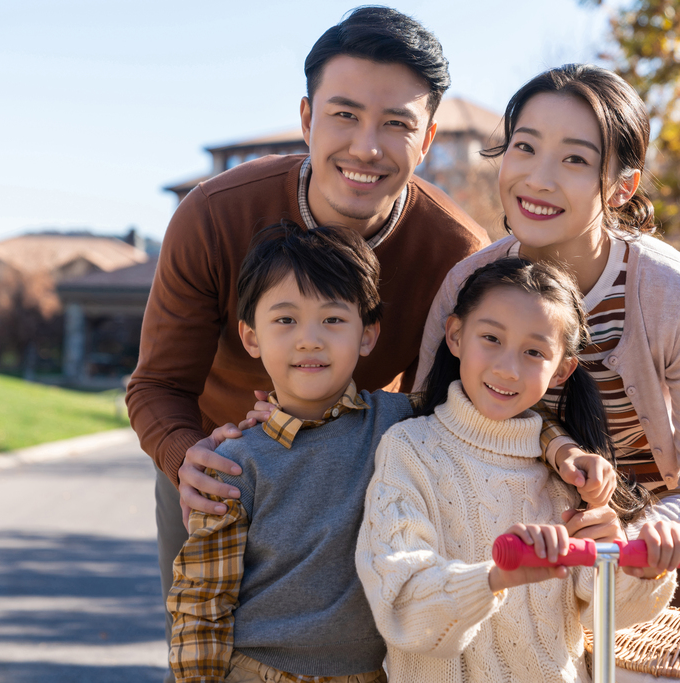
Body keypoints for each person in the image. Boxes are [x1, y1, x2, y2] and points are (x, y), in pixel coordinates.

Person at [125, 8, 490, 673]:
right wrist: (185, 458)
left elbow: (445, 413)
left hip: (353, 478)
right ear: (306, 118)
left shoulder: (456, 255)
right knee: (208, 652)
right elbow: (157, 386)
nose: (367, 147)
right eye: (344, 115)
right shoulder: (211, 216)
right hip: (216, 469)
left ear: (429, 136)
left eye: (397, 124)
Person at [415, 64, 680, 615]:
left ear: (622, 187)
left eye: (574, 159)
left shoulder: (668, 291)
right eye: (524, 147)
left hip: (668, 559)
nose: (538, 179)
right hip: (528, 560)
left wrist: (641, 536)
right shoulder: (468, 285)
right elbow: (427, 420)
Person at [356, 257, 680, 683]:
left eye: (534, 351)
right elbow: (402, 605)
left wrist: (639, 568)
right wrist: (495, 578)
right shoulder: (409, 451)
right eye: (491, 338)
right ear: (456, 335)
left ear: (562, 370)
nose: (507, 368)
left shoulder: (572, 474)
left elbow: (609, 619)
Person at [167, 221, 411, 683]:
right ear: (251, 336)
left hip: (369, 674)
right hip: (257, 670)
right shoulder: (235, 462)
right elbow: (204, 595)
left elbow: (482, 415)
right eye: (285, 319)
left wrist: (556, 445)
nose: (309, 339)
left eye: (333, 319)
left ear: (368, 333)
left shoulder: (398, 423)